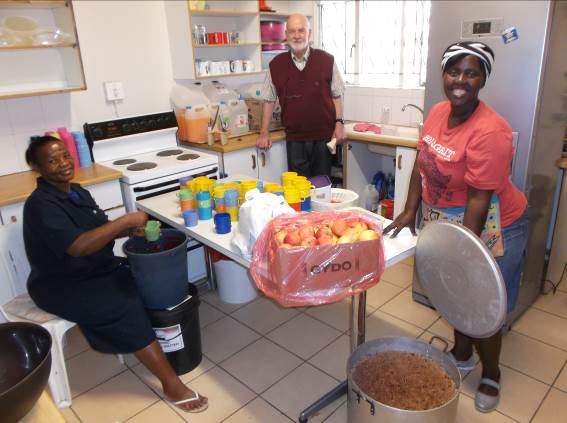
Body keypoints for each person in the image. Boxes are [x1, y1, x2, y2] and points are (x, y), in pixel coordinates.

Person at [384, 41, 528, 413]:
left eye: (471, 73)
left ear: (482, 80)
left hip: (491, 221)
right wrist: (409, 209)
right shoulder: (436, 111)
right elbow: (422, 161)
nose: (460, 80)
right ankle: (463, 353)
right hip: (444, 215)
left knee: (480, 302)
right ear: (443, 74)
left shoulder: (490, 130)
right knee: (455, 294)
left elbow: (479, 198)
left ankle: (491, 374)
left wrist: (465, 252)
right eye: (454, 71)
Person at [22, 136, 208, 413]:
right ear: (36, 168)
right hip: (61, 284)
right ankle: (171, 383)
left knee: (149, 283)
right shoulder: (41, 205)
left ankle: (158, 347)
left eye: (65, 155)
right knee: (124, 304)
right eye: (52, 160)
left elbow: (99, 229)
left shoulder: (75, 192)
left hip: (97, 270)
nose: (63, 163)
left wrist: (128, 230)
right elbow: (79, 245)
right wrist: (125, 221)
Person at [256, 13, 346, 178]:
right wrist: (264, 132)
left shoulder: (326, 60)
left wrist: (339, 124)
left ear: (309, 34)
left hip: (323, 138)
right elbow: (269, 100)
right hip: (295, 139)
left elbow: (337, 95)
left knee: (322, 188)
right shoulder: (276, 65)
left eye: (301, 31)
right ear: (286, 35)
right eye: (292, 31)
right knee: (299, 192)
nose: (296, 36)